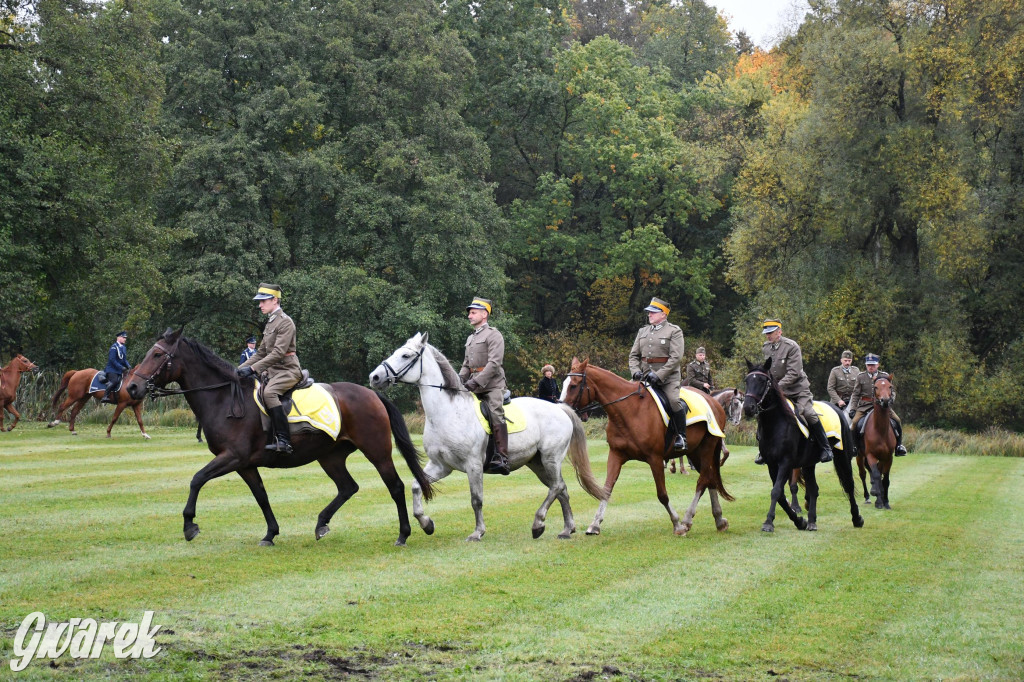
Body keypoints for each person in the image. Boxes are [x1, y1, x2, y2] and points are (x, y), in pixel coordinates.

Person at [236, 283, 302, 455]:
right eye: (259, 302)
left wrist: (252, 370)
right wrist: (237, 370)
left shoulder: (286, 323)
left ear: (275, 300)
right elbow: (261, 353)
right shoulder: (270, 323)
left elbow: (279, 353)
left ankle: (284, 441)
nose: (260, 305)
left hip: (288, 370)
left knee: (269, 393)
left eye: (263, 301)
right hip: (272, 371)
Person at [759, 318, 833, 465]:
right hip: (778, 390)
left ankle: (825, 447)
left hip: (798, 390)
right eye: (766, 333)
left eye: (771, 333)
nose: (768, 336)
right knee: (764, 413)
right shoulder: (766, 347)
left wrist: (776, 386)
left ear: (779, 332)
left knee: (807, 413)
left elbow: (794, 372)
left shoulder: (791, 347)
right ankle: (763, 450)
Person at [459, 297, 510, 475]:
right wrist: (459, 381)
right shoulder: (471, 338)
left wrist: (475, 382)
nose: (469, 316)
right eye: (469, 313)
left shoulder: (494, 335)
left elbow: (494, 363)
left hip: (492, 385)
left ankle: (502, 457)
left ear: (484, 314)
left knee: (495, 410)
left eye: (473, 312)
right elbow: (466, 365)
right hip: (474, 384)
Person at [629, 297, 687, 451]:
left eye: (653, 312)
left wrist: (659, 375)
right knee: (624, 396)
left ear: (663, 314)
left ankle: (681, 435)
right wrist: (635, 371)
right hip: (645, 377)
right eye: (649, 312)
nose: (649, 315)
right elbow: (634, 355)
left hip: (667, 379)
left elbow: (676, 358)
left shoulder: (674, 331)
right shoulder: (643, 331)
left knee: (674, 401)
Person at [848, 354, 908, 456]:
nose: (870, 367)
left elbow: (892, 391)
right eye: (868, 365)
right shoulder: (860, 376)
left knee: (897, 420)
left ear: (878, 365)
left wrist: (890, 401)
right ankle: (854, 447)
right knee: (854, 423)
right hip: (865, 406)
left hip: (882, 406)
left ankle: (899, 446)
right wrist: (853, 408)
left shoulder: (885, 375)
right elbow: (856, 394)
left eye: (873, 365)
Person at [101, 331, 131, 404]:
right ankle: (105, 396)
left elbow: (124, 359)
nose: (125, 339)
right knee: (114, 381)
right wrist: (121, 367)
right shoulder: (114, 347)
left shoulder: (123, 347)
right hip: (112, 369)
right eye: (123, 338)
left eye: (125, 338)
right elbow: (112, 360)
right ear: (119, 338)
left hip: (119, 370)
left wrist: (128, 365)